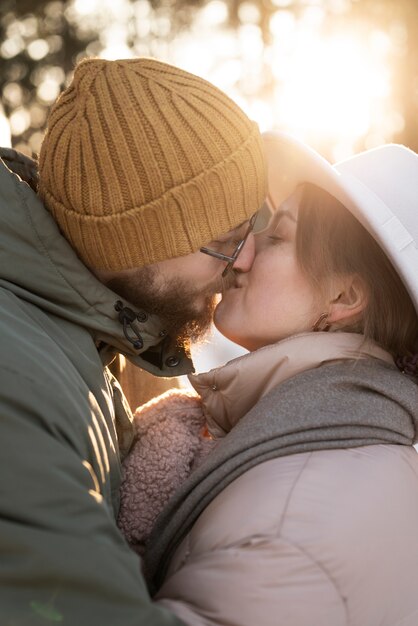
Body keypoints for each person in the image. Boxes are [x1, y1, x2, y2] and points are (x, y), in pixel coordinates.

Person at [0, 57, 266, 624]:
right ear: (129, 242)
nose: (245, 261)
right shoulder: (15, 372)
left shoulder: (74, 335)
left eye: (254, 222)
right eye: (223, 240)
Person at [119, 132, 418, 626]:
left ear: (343, 298)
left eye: (276, 236)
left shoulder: (298, 515)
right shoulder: (311, 440)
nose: (243, 253)